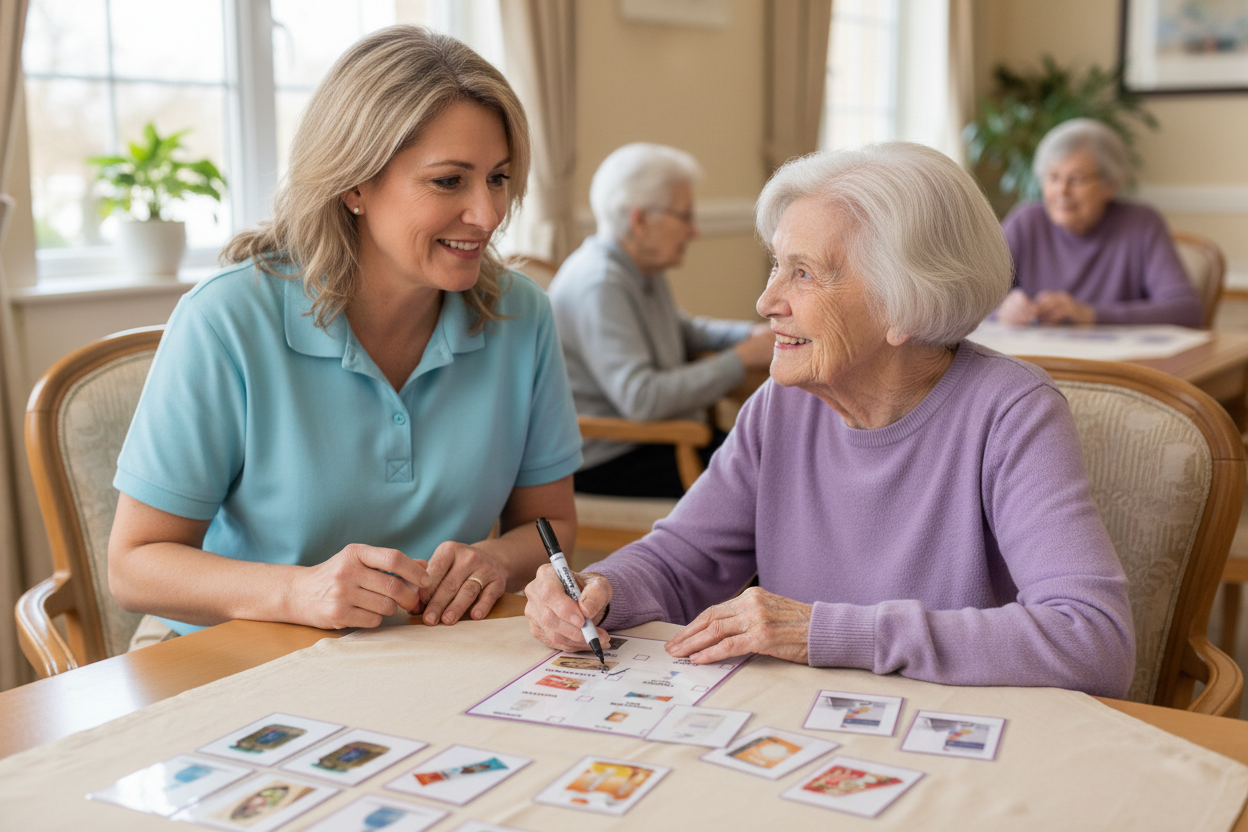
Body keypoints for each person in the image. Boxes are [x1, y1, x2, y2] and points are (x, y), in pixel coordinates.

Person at [525, 142, 1135, 697]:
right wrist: (600, 590)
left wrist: (827, 632)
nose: (767, 303)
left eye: (805, 273)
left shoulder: (1011, 414)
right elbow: (685, 559)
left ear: (905, 303)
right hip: (801, 731)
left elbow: (1093, 641)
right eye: (776, 265)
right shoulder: (781, 405)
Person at [107, 26, 581, 639]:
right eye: (448, 181)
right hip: (231, 653)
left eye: (498, 178)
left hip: (421, 653)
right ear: (355, 183)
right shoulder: (226, 319)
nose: (488, 215)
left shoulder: (523, 316)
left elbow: (551, 529)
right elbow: (134, 567)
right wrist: (297, 591)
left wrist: (495, 560)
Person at [547, 143, 775, 498]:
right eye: (684, 216)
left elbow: (682, 331)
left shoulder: (640, 267)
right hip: (615, 456)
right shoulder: (601, 283)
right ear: (640, 220)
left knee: (772, 454)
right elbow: (642, 398)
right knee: (772, 472)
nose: (694, 230)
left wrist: (750, 334)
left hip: (655, 441)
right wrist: (742, 359)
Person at [998, 118, 1202, 327]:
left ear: (1111, 184)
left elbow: (1186, 312)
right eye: (1053, 177)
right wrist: (1002, 308)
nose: (1062, 191)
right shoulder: (1025, 222)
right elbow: (968, 297)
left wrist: (1090, 314)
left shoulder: (1142, 224)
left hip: (1120, 359)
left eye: (1076, 179)